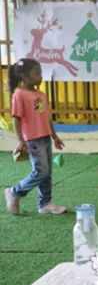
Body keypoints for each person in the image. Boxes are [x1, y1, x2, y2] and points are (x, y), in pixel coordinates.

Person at [4, 58, 66, 215]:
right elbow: (16, 118)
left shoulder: (41, 94)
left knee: (47, 173)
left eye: (41, 73)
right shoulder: (19, 95)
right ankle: (14, 192)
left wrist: (54, 136)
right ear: (24, 76)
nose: (41, 76)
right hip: (32, 139)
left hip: (45, 136)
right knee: (41, 171)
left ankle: (45, 203)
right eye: (37, 73)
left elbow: (47, 117)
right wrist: (21, 140)